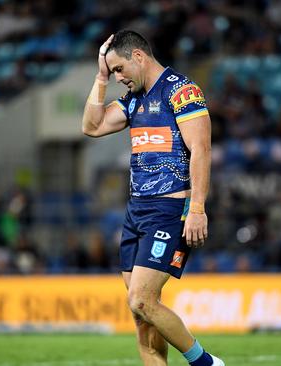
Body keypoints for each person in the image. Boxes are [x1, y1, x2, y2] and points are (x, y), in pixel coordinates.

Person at [81, 30, 224, 366]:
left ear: (139, 57)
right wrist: (100, 77)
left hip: (169, 210)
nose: (118, 78)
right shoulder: (134, 100)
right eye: (112, 72)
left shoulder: (181, 90)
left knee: (142, 300)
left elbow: (201, 150)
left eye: (118, 70)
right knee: (142, 320)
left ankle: (205, 363)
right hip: (136, 212)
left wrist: (198, 209)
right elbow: (92, 126)